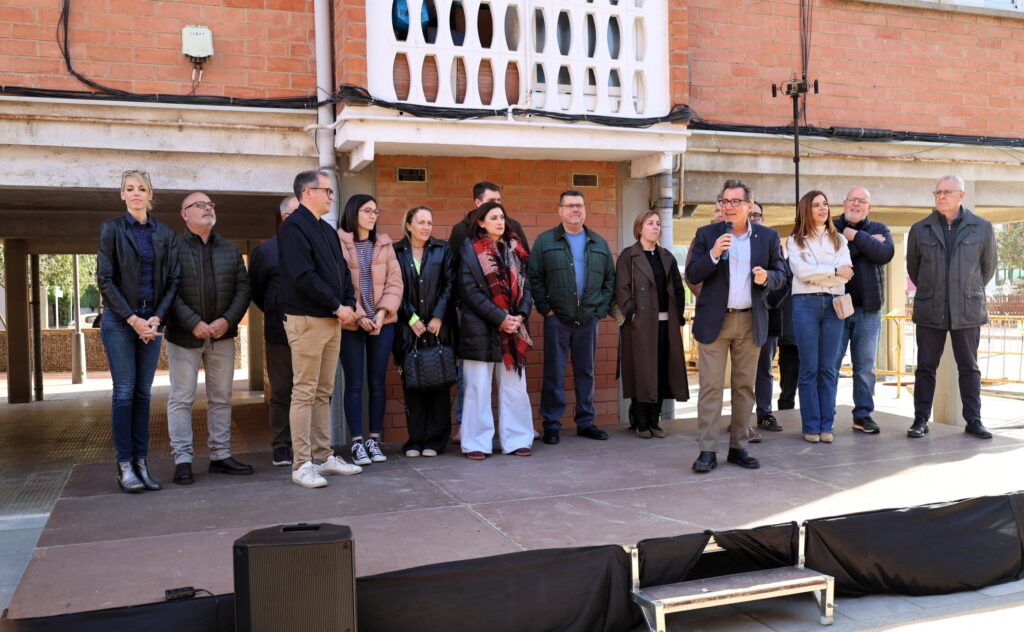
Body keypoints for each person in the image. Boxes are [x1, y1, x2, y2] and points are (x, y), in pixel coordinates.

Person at [685, 179, 786, 473]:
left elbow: (782, 275)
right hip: (715, 321)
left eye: (735, 202)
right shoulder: (707, 235)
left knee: (744, 387)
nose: (728, 207)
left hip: (750, 320)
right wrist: (714, 253)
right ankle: (707, 450)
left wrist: (767, 277)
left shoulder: (767, 237)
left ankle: (739, 447)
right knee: (711, 387)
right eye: (724, 202)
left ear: (749, 206)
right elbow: (692, 273)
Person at [97, 169, 180, 493]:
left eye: (141, 188)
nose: (135, 193)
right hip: (121, 321)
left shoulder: (165, 233)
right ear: (122, 195)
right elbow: (105, 279)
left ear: (150, 194)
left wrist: (156, 318)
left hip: (152, 320)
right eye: (129, 189)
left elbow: (173, 280)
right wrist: (133, 319)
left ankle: (142, 463)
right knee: (125, 391)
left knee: (144, 394)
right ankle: (125, 465)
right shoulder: (112, 230)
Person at [278, 170, 362, 488]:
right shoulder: (294, 228)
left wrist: (349, 303)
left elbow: (342, 271)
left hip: (331, 320)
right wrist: (336, 305)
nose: (331, 196)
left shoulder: (326, 230)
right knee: (304, 391)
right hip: (307, 319)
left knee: (324, 392)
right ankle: (301, 464)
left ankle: (323, 456)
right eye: (326, 191)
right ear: (307, 192)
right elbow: (303, 276)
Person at [165, 192, 253, 485]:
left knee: (221, 398)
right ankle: (183, 460)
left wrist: (227, 320)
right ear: (184, 214)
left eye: (211, 205)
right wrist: (193, 322)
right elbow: (167, 291)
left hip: (222, 337)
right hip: (183, 337)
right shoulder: (172, 249)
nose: (208, 210)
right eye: (200, 206)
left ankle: (220, 456)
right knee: (181, 398)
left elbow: (243, 289)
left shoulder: (230, 249)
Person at [906, 175, 997, 439]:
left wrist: (964, 292)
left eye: (947, 192)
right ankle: (921, 420)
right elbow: (915, 269)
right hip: (930, 308)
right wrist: (935, 290)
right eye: (937, 192)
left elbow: (986, 269)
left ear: (961, 195)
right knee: (925, 367)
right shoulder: (919, 229)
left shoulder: (982, 228)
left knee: (969, 367)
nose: (941, 197)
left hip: (967, 310)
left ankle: (974, 420)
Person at [528, 190, 615, 445]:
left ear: (585, 210)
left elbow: (610, 278)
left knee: (586, 372)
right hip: (557, 319)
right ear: (560, 211)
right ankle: (552, 424)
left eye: (579, 206)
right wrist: (546, 309)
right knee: (553, 372)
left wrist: (599, 311)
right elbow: (534, 277)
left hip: (588, 319)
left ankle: (586, 421)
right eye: (570, 206)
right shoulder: (545, 242)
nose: (575, 210)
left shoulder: (598, 243)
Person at [448, 182, 530, 444]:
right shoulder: (469, 249)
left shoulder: (515, 249)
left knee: (515, 389)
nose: (500, 222)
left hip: (513, 329)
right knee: (477, 389)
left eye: (502, 217)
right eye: (494, 218)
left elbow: (528, 286)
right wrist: (499, 318)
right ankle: (476, 442)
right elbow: (469, 291)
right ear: (481, 222)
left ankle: (517, 440)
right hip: (479, 329)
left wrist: (521, 316)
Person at [338, 194, 403, 466]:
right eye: (367, 210)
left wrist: (380, 313)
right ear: (354, 212)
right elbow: (339, 282)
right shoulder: (338, 243)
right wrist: (360, 315)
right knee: (354, 383)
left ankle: (374, 440)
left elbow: (395, 282)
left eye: (376, 211)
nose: (373, 216)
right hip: (352, 323)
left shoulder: (384, 244)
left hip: (381, 322)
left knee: (377, 382)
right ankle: (356, 443)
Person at [787, 190, 853, 444]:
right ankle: (811, 426)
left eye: (825, 203)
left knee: (828, 369)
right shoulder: (795, 241)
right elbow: (803, 273)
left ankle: (827, 425)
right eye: (816, 205)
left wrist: (825, 273)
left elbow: (847, 274)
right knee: (809, 368)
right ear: (807, 209)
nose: (823, 208)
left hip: (834, 305)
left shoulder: (840, 241)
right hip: (805, 304)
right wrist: (834, 271)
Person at [616, 210, 689, 438]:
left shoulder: (667, 256)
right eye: (651, 223)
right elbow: (622, 290)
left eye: (658, 223)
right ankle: (641, 421)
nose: (656, 227)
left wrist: (678, 313)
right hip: (639, 326)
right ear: (640, 228)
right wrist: (633, 315)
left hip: (665, 325)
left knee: (660, 371)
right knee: (642, 372)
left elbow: (678, 288)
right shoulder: (629, 256)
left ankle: (655, 421)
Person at [393, 205, 457, 457]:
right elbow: (393, 286)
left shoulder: (443, 250)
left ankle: (435, 441)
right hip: (409, 330)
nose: (426, 227)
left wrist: (439, 316)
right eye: (421, 222)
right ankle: (415, 440)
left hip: (439, 328)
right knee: (413, 383)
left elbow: (451, 284)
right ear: (409, 225)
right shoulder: (396, 252)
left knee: (439, 383)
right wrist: (411, 317)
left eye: (429, 222)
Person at [833, 187, 894, 434]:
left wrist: (855, 237)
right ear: (844, 202)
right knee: (830, 365)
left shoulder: (880, 229)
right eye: (853, 200)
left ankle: (863, 415)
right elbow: (834, 259)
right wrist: (865, 242)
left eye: (862, 201)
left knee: (866, 367)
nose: (857, 204)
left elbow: (884, 253)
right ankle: (826, 414)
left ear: (869, 207)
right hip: (835, 310)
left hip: (868, 312)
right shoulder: (831, 227)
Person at [248, 196, 299, 466]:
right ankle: (281, 445)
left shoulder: (316, 246)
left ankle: (308, 445)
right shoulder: (265, 252)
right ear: (285, 218)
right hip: (279, 332)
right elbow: (256, 292)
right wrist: (276, 309)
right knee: (281, 391)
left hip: (312, 333)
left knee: (310, 391)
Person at [749, 202, 790, 440]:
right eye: (750, 214)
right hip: (740, 316)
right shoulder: (736, 241)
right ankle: (740, 417)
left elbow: (783, 278)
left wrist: (767, 302)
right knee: (742, 372)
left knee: (764, 368)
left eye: (758, 215)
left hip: (768, 314)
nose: (754, 218)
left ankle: (764, 412)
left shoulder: (771, 241)